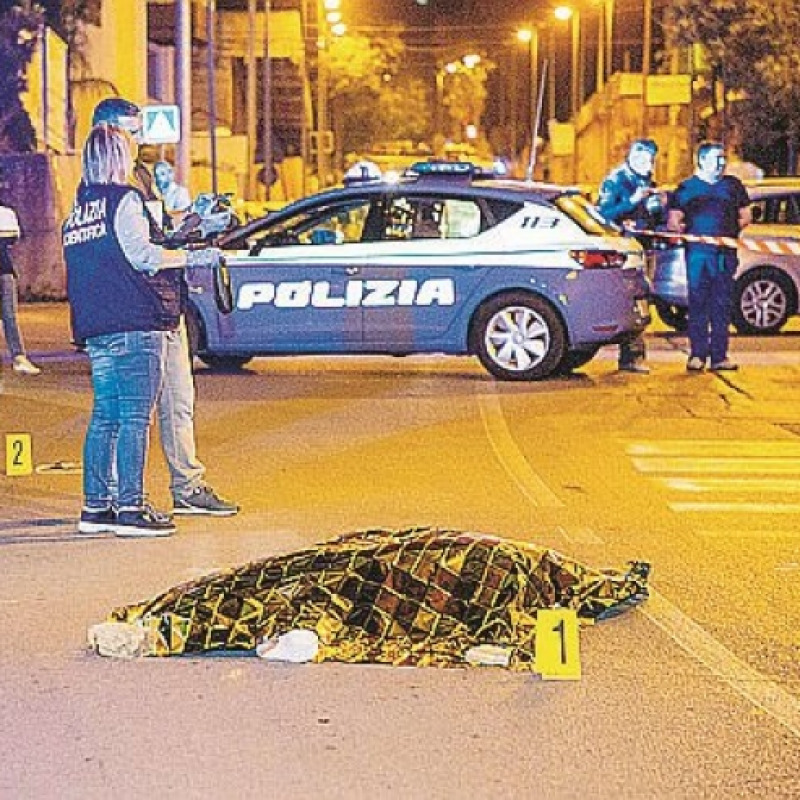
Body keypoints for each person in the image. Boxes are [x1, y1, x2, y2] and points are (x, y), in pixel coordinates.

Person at [63, 125, 223, 537]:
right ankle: (131, 509)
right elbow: (141, 254)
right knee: (134, 417)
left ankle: (96, 508)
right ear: (119, 158)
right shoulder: (124, 200)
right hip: (135, 321)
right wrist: (190, 256)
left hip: (97, 327)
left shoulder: (78, 211)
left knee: (105, 417)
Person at [91, 97, 238, 516]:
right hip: (135, 310)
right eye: (131, 132)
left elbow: (157, 237)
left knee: (178, 399)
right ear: (107, 131)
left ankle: (187, 486)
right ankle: (118, 500)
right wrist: (191, 256)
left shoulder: (140, 178)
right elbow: (138, 253)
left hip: (165, 301)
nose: (141, 141)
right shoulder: (107, 188)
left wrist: (192, 223)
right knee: (125, 412)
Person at [668, 141, 751, 373]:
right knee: (698, 304)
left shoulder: (733, 186)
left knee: (722, 305)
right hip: (698, 257)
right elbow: (674, 219)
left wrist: (731, 233)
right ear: (701, 160)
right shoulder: (686, 189)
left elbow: (745, 215)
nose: (721, 162)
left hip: (724, 256)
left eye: (723, 157)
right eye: (716, 157)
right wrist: (676, 227)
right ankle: (697, 355)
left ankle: (719, 356)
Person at [597, 138, 666, 374]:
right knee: (632, 302)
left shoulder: (646, 182)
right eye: (645, 159)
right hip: (625, 252)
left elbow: (653, 218)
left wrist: (658, 209)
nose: (649, 164)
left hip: (646, 248)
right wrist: (632, 201)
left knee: (643, 301)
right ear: (633, 157)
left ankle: (634, 355)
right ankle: (631, 355)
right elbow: (604, 213)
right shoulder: (616, 181)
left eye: (651, 159)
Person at [0, 201, 41, 375]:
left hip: (3, 269)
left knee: (9, 316)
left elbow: (12, 235)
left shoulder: (5, 212)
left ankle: (19, 357)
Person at [153, 160, 192, 228]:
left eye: (163, 174)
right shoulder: (154, 193)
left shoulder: (181, 192)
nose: (159, 178)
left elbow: (183, 216)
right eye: (157, 175)